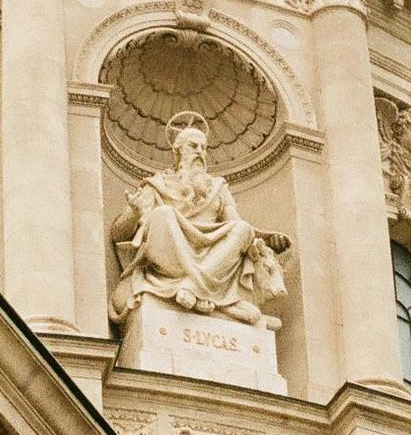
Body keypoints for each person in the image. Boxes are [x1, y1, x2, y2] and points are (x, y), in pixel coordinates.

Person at [109, 112, 288, 326]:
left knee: (242, 229)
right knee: (164, 214)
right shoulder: (156, 184)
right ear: (177, 152)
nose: (199, 152)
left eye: (203, 148)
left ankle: (192, 287)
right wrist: (134, 214)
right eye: (193, 146)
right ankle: (200, 290)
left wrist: (269, 239)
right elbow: (118, 234)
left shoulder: (218, 187)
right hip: (171, 259)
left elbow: (238, 224)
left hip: (213, 257)